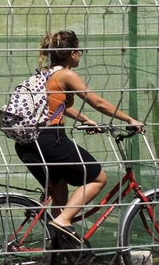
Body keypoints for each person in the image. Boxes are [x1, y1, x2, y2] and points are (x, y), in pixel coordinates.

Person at [15, 30, 143, 244]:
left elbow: (55, 106)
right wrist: (130, 119)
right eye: (79, 51)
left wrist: (83, 118)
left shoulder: (44, 74)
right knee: (98, 177)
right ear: (72, 53)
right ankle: (63, 221)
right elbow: (98, 103)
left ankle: (61, 249)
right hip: (50, 139)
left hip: (27, 143)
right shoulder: (66, 75)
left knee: (61, 191)